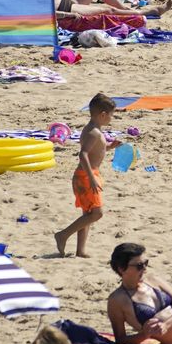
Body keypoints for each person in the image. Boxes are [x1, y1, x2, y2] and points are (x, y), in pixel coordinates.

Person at [54, 94, 112, 257]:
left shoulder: (94, 129)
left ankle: (80, 251)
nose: (111, 118)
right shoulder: (93, 132)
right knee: (97, 214)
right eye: (111, 115)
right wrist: (91, 178)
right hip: (86, 176)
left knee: (88, 214)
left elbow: (97, 150)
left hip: (87, 175)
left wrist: (110, 146)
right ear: (102, 114)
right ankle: (62, 235)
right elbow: (83, 154)